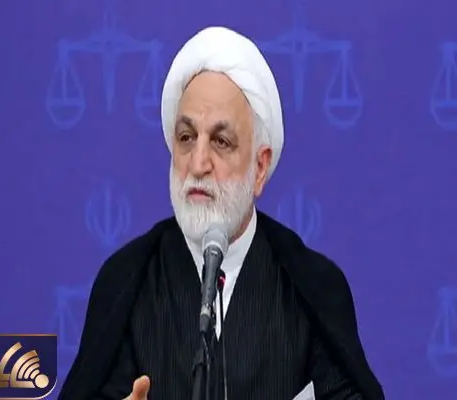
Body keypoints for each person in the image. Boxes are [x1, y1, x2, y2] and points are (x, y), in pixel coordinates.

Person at [58, 26, 384, 400]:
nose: (198, 163)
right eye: (186, 138)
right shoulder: (127, 280)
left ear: (259, 168)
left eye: (221, 141)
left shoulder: (312, 286)